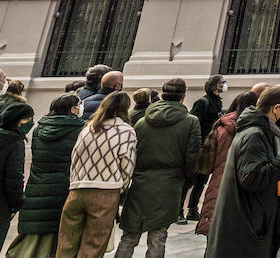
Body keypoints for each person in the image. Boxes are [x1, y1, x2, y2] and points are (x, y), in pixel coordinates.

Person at [205, 86, 280, 258]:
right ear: (276, 108)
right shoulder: (255, 134)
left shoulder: (260, 132)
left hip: (251, 222)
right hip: (246, 226)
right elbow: (252, 178)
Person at [111, 78, 202, 258]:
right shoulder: (191, 122)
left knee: (129, 235)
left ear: (161, 95)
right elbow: (193, 155)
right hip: (170, 183)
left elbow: (131, 154)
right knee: (158, 235)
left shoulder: (142, 122)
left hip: (140, 182)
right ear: (183, 96)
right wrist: (188, 179)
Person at [55, 90, 136, 258]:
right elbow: (127, 164)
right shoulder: (125, 130)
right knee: (94, 243)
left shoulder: (88, 128)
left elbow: (75, 157)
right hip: (105, 191)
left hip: (77, 189)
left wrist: (75, 181)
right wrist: (121, 186)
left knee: (66, 242)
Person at [8, 93, 84, 256]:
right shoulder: (80, 129)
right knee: (53, 232)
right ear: (72, 109)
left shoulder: (38, 128)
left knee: (34, 228)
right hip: (63, 185)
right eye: (79, 104)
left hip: (36, 183)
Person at [195, 90, 257, 238]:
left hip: (218, 179)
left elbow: (208, 161)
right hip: (241, 182)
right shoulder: (254, 130)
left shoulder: (221, 127)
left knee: (214, 227)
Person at [183, 75, 227, 224]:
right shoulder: (203, 102)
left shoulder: (217, 102)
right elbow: (195, 123)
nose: (224, 85)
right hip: (201, 145)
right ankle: (180, 210)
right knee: (191, 180)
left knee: (202, 180)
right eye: (222, 83)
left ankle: (193, 209)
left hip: (210, 145)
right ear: (215, 85)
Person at [0, 102, 34, 241]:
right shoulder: (15, 142)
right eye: (30, 119)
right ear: (20, 120)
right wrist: (17, 204)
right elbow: (14, 177)